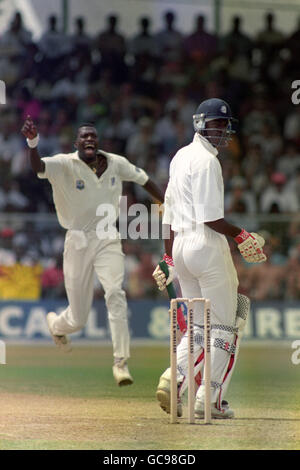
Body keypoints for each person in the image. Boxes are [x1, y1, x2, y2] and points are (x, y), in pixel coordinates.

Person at [21, 116, 163, 386]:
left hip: (108, 236)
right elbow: (38, 167)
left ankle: (121, 362)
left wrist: (165, 202)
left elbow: (143, 179)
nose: (89, 140)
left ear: (98, 143)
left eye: (93, 137)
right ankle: (57, 325)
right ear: (76, 143)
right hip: (77, 241)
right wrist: (33, 142)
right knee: (78, 318)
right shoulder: (65, 164)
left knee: (115, 293)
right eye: (84, 137)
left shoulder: (115, 163)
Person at [152, 98, 267, 418]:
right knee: (224, 327)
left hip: (181, 248)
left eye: (225, 125)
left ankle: (174, 379)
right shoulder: (207, 161)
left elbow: (168, 214)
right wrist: (241, 234)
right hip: (206, 246)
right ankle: (206, 399)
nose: (223, 131)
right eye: (218, 124)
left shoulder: (179, 157)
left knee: (198, 328)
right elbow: (210, 218)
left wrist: (169, 258)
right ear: (202, 125)